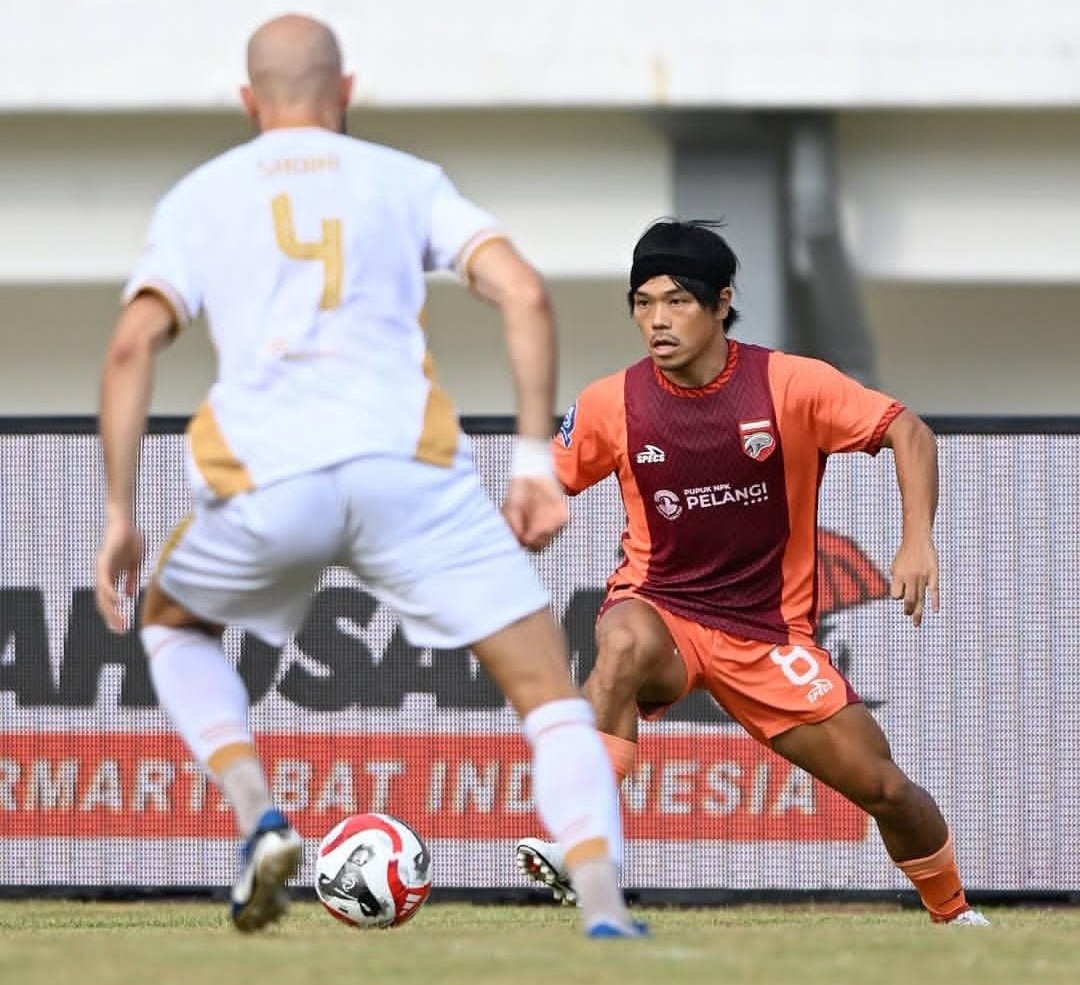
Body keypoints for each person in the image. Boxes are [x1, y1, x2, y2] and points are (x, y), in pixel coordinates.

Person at [94, 14, 645, 939]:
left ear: (248, 100)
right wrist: (529, 464)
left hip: (267, 478)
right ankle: (605, 908)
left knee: (171, 623)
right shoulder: (405, 179)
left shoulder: (199, 196)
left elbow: (129, 347)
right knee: (550, 694)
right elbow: (524, 292)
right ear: (345, 90)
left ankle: (260, 818)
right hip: (410, 473)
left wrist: (119, 510)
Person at [514, 219, 989, 927]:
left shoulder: (789, 384)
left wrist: (917, 539)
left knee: (885, 788)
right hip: (663, 610)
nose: (657, 320)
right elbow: (540, 488)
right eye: (643, 303)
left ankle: (954, 915)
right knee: (621, 641)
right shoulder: (613, 402)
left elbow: (907, 431)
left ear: (722, 303)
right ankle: (586, 846)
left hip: (768, 635)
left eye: (676, 301)